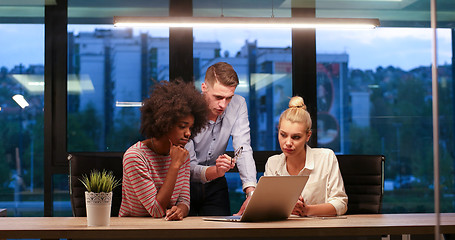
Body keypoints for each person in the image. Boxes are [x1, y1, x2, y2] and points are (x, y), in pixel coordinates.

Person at [119, 80, 208, 220]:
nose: (188, 133)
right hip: (134, 230)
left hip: (167, 229)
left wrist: (180, 211)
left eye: (190, 127)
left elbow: (184, 201)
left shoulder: (182, 154)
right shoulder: (135, 157)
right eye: (182, 126)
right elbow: (156, 210)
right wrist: (175, 165)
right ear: (164, 124)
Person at [185, 62, 257, 216]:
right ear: (204, 87)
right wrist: (216, 171)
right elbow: (187, 168)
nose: (223, 104)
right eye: (218, 97)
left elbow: (243, 148)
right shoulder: (187, 108)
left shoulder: (238, 104)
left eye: (228, 98)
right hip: (184, 184)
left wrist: (251, 193)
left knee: (221, 234)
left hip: (216, 183)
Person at [264, 96, 348, 216]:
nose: (288, 143)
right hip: (283, 230)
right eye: (283, 135)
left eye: (296, 137)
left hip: (319, 230)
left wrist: (306, 210)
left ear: (308, 136)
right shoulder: (273, 163)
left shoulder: (326, 157)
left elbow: (340, 204)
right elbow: (267, 205)